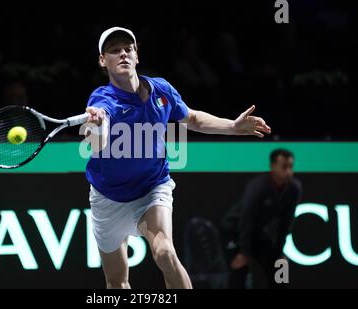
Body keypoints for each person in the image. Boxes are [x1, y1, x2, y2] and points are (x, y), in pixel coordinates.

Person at [83, 27, 271, 289]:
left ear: (137, 55)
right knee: (116, 282)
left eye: (128, 49)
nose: (123, 54)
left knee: (165, 252)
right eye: (115, 50)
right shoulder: (102, 100)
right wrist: (97, 125)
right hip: (108, 197)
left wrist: (233, 127)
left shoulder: (161, 90)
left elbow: (191, 118)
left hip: (151, 188)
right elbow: (97, 144)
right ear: (103, 60)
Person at [219, 148, 302, 288]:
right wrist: (244, 252)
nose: (288, 171)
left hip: (257, 232)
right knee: (239, 267)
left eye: (290, 167)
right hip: (233, 231)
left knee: (280, 265)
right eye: (284, 167)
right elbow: (246, 220)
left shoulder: (295, 188)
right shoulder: (258, 187)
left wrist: (279, 252)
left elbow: (286, 223)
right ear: (273, 166)